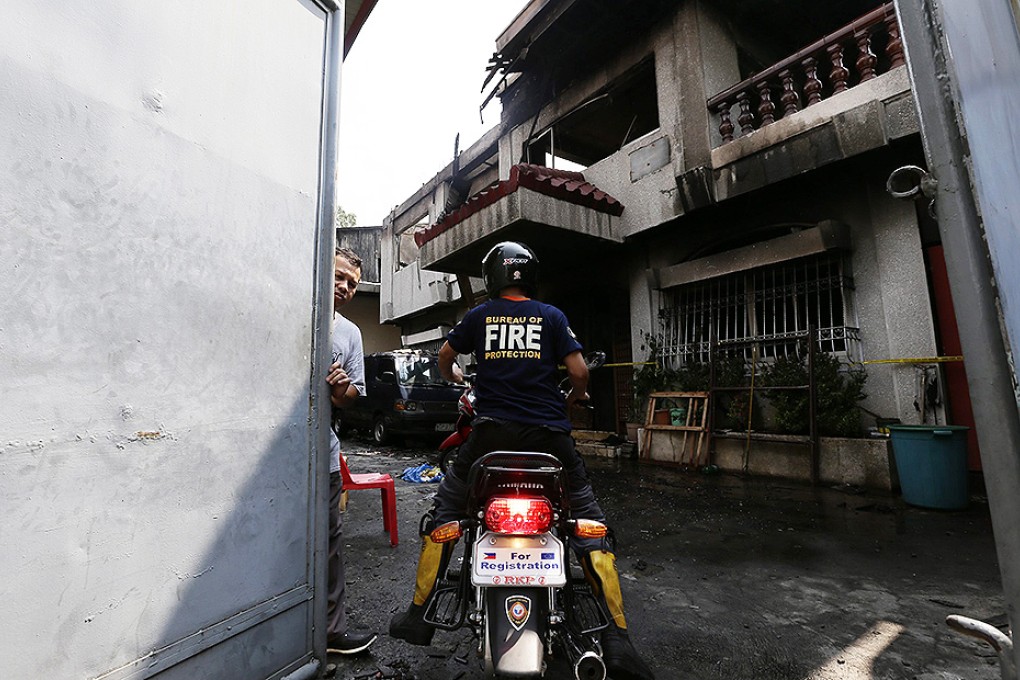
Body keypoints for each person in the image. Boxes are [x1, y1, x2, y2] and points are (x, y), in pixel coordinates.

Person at [389, 242, 654, 680]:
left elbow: (445, 357)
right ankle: (617, 641)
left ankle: (418, 615)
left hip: (489, 436)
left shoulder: (478, 316)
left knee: (446, 513)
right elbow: (580, 371)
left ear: (492, 277)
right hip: (549, 439)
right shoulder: (551, 316)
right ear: (529, 276)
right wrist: (576, 396)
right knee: (588, 524)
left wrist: (453, 377)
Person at [324, 246, 376, 655]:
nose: (344, 287)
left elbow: (351, 394)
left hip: (323, 455)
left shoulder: (350, 333)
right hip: (276, 456)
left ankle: (331, 631)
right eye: (339, 276)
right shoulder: (293, 309)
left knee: (329, 545)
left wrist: (341, 393)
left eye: (352, 283)